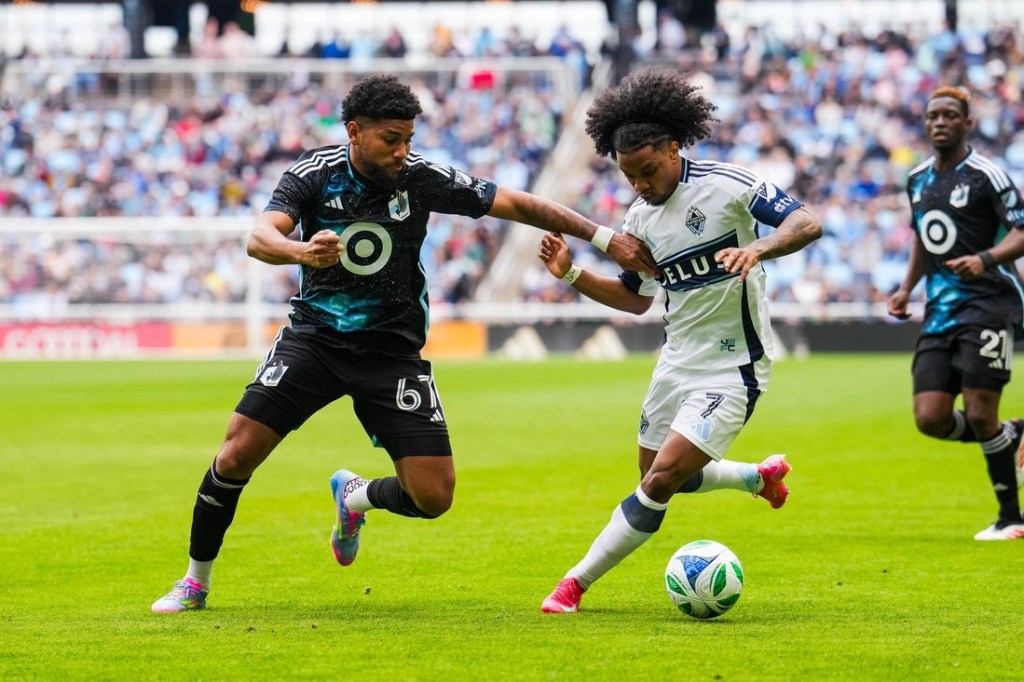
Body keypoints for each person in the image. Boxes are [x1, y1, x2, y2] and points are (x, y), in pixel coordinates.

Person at [151, 74, 658, 613]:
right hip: (315, 340)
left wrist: (605, 239)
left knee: (434, 497)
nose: (403, 151)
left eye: (409, 138)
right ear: (354, 131)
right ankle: (194, 582)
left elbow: (518, 203)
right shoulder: (312, 175)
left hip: (392, 354)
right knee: (235, 455)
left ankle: (356, 497)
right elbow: (260, 237)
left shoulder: (420, 178)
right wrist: (302, 253)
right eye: (391, 138)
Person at [536, 68, 822, 614]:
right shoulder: (639, 218)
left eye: (647, 171)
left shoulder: (727, 185)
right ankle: (757, 478)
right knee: (658, 474)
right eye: (629, 177)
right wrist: (571, 275)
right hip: (676, 364)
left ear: (673, 147)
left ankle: (574, 584)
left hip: (733, 367)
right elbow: (637, 298)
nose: (640, 185)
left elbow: (806, 223)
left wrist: (757, 251)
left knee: (662, 480)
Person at [887, 86, 1024, 541]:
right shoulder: (918, 179)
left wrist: (985, 258)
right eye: (933, 116)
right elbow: (923, 236)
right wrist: (907, 287)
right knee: (930, 417)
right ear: (926, 125)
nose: (940, 122)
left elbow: (1022, 231)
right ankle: (1015, 435)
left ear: (968, 123)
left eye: (950, 115)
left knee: (981, 413)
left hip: (988, 302)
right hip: (939, 312)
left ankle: (1011, 519)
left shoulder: (988, 175)